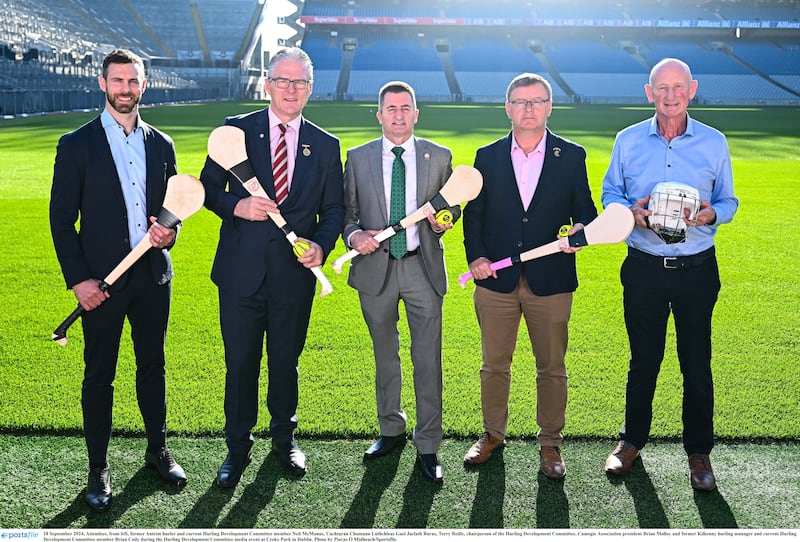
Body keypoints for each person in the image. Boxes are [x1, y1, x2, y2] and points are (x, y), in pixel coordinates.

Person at [49, 48, 187, 513]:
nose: (125, 89)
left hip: (152, 277)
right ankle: (98, 469)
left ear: (143, 85)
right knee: (99, 375)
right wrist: (79, 281)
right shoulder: (77, 144)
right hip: (101, 285)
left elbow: (172, 213)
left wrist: (170, 233)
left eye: (133, 81)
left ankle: (157, 452)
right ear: (103, 84)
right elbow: (61, 220)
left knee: (153, 367)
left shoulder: (162, 144)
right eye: (117, 81)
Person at [200, 47, 344, 485]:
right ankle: (237, 448)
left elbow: (334, 209)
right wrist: (236, 206)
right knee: (240, 363)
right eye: (282, 80)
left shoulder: (324, 144)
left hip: (293, 277)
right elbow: (206, 189)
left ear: (310, 88)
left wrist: (320, 246)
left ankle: (285, 439)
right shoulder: (235, 132)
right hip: (241, 275)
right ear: (268, 85)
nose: (290, 89)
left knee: (285, 362)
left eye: (299, 82)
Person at [601, 58, 739, 491]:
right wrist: (632, 213)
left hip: (697, 269)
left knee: (696, 363)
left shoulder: (714, 142)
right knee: (643, 361)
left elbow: (729, 201)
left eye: (678, 87)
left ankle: (699, 453)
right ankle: (632, 441)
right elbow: (610, 193)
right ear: (649, 92)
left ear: (692, 89)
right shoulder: (626, 140)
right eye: (662, 87)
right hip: (642, 267)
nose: (670, 95)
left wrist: (710, 213)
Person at [462, 73, 597, 479]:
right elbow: (475, 217)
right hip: (496, 281)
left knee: (552, 366)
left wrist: (581, 233)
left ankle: (551, 442)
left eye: (537, 101)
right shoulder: (486, 156)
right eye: (520, 102)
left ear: (550, 107)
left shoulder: (571, 156)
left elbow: (586, 214)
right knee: (494, 365)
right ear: (507, 108)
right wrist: (476, 258)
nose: (529, 109)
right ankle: (492, 435)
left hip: (550, 281)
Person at [342, 81, 459, 484]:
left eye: (405, 107)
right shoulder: (356, 158)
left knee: (427, 359)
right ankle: (390, 428)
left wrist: (444, 220)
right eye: (390, 108)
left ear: (415, 113)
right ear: (379, 114)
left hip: (421, 268)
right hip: (376, 270)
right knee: (385, 356)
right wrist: (354, 236)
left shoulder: (439, 156)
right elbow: (347, 214)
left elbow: (453, 208)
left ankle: (428, 444)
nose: (398, 115)